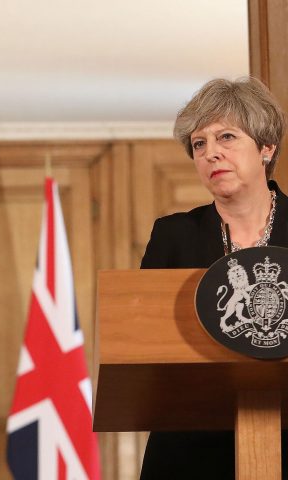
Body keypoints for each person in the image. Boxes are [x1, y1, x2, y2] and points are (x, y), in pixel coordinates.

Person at [140, 77, 288, 479]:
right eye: (199, 144)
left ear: (266, 147)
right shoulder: (172, 236)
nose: (211, 153)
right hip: (189, 447)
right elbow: (145, 344)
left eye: (226, 136)